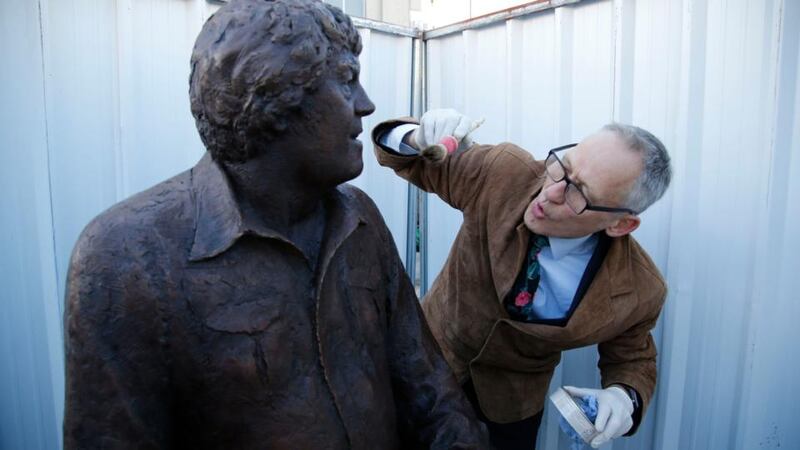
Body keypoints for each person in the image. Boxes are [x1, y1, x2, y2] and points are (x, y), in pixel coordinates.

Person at [63, 2, 488, 448]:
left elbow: (429, 388)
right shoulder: (126, 256)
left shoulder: (361, 218)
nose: (366, 105)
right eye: (346, 81)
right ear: (277, 98)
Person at [372, 108, 672, 449]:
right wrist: (417, 136)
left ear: (620, 224)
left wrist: (623, 398)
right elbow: (404, 158)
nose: (551, 191)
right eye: (563, 166)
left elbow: (633, 360)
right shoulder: (503, 173)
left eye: (579, 193)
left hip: (511, 411)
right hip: (423, 368)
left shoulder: (640, 289)